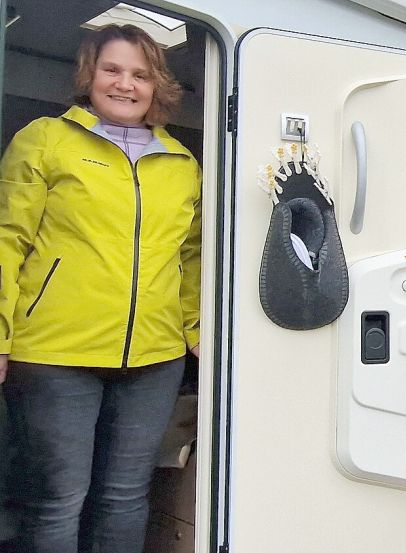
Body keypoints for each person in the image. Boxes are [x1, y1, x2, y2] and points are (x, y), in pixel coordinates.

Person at [0, 24, 201, 553]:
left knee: (125, 496)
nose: (125, 84)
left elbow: (194, 256)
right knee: (59, 498)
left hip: (155, 359)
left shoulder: (181, 163)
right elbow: (7, 240)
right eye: (112, 69)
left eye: (140, 74)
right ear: (89, 74)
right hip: (53, 353)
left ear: (157, 84)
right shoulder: (45, 139)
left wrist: (196, 328)